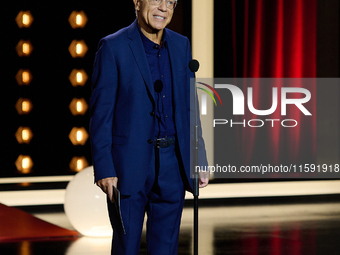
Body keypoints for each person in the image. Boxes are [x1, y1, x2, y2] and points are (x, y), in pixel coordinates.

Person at [90, 0, 208, 254]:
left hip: (173, 165)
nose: (163, 8)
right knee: (126, 248)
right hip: (127, 166)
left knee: (166, 248)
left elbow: (189, 108)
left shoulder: (180, 44)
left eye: (170, 2)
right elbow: (101, 115)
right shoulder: (113, 46)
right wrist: (104, 168)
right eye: (156, 0)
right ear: (136, 2)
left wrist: (199, 157)